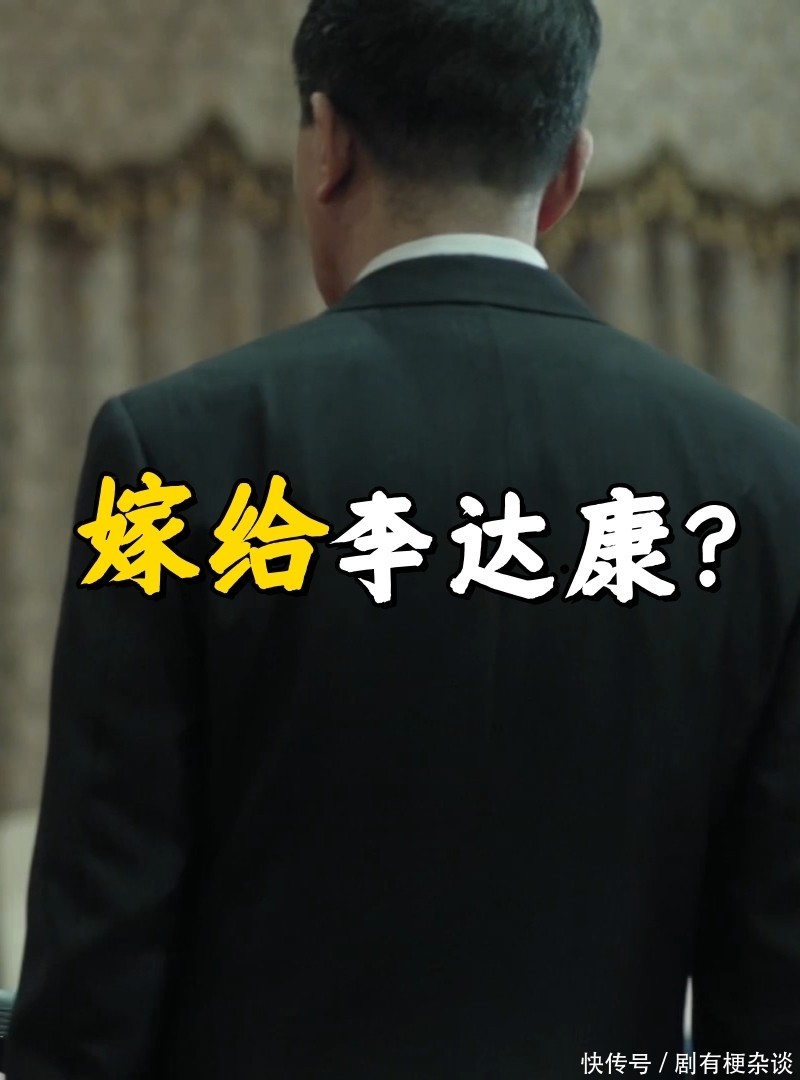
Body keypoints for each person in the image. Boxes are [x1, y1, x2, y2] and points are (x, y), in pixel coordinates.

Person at [6, 1, 800, 1077]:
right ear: (567, 172)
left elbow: (94, 974)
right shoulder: (762, 484)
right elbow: (774, 1001)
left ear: (327, 142)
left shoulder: (168, 456)